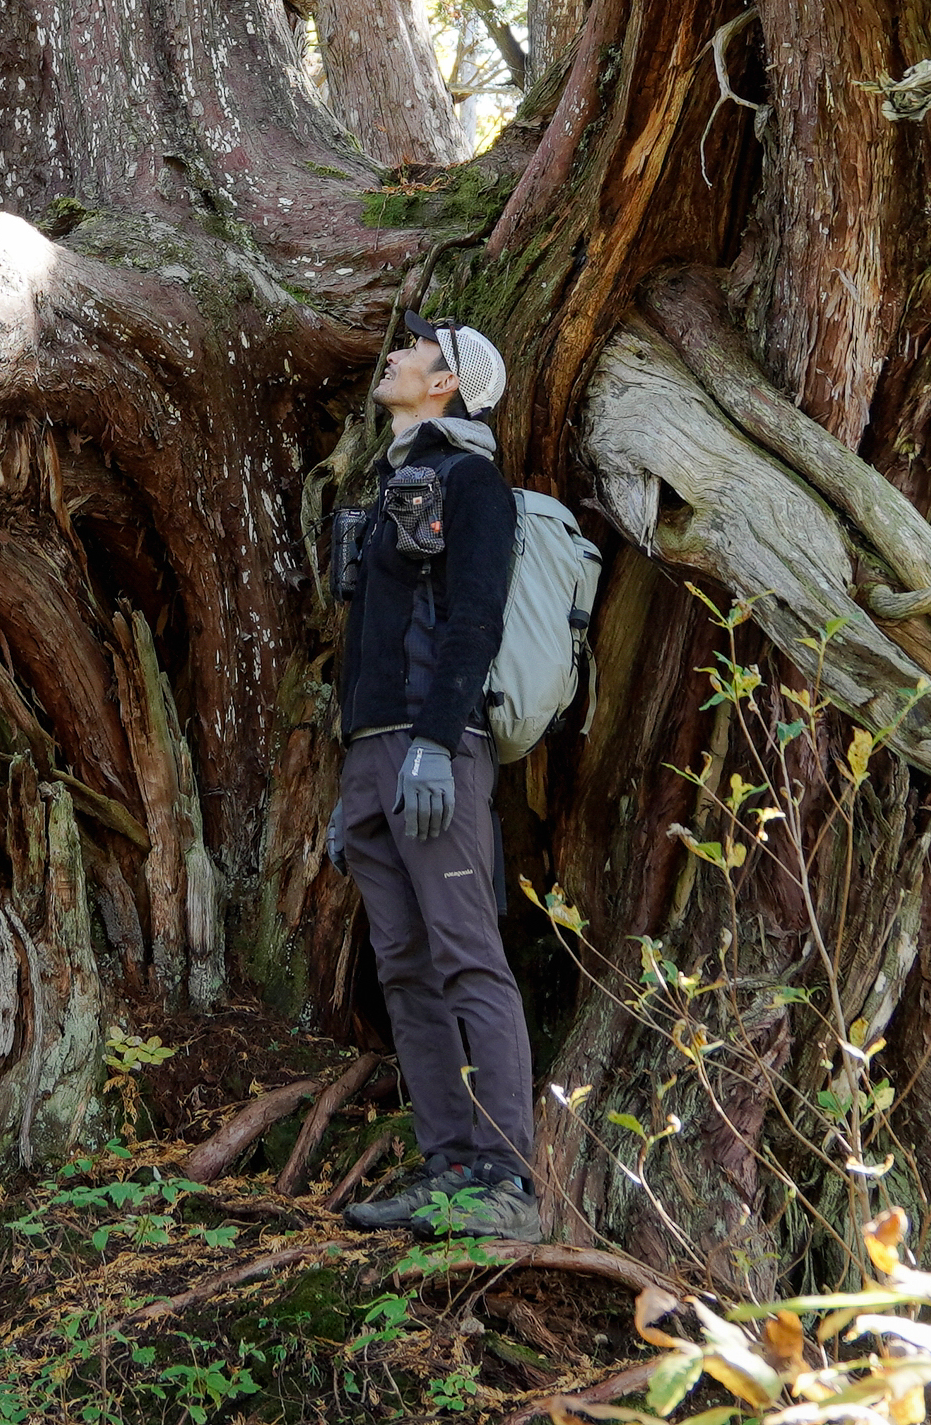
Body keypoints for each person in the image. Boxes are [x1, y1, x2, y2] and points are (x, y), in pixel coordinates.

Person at [324, 318, 544, 1241]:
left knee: (465, 958)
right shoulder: (388, 490)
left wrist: (433, 743)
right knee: (405, 970)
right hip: (373, 759)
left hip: (434, 752)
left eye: (417, 349)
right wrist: (354, 783)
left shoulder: (471, 481)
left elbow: (476, 622)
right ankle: (448, 1166)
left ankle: (509, 1184)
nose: (398, 356)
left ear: (447, 383)